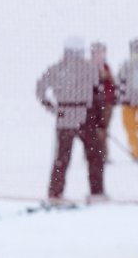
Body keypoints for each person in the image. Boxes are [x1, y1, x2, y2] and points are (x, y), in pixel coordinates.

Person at [36, 36, 105, 204]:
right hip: (85, 117)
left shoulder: (56, 69)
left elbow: (40, 90)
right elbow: (99, 94)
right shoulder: (91, 69)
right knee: (94, 155)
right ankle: (96, 192)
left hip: (65, 117)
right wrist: (98, 118)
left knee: (62, 157)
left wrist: (53, 109)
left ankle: (55, 193)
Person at [89, 41, 118, 162]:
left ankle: (102, 154)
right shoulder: (89, 67)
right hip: (93, 104)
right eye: (96, 52)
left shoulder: (106, 67)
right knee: (93, 130)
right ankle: (94, 154)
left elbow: (112, 84)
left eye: (101, 52)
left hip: (106, 103)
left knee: (102, 129)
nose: (99, 55)